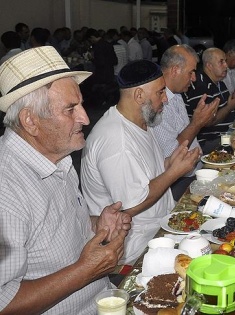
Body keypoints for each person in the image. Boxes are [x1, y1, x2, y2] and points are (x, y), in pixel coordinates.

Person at [0, 46, 131, 314]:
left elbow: (51, 237)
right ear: (30, 121)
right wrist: (84, 271)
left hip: (103, 301)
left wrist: (97, 224)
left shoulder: (57, 155)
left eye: (81, 104)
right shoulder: (6, 190)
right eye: (70, 109)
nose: (84, 118)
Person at [80, 60, 201, 264]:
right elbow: (132, 204)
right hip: (136, 247)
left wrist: (169, 163)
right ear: (138, 95)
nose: (165, 99)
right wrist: (174, 173)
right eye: (160, 92)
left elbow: (146, 174)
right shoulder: (116, 141)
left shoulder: (141, 121)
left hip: (160, 226)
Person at [153, 45, 219, 200]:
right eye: (191, 72)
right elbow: (171, 155)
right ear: (175, 70)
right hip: (177, 182)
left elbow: (185, 134)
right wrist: (197, 123)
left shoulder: (176, 94)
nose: (194, 78)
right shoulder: (158, 103)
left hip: (195, 169)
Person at [184, 47, 235, 153]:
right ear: (209, 66)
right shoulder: (201, 87)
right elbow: (207, 122)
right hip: (210, 141)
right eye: (221, 62)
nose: (226, 65)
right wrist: (230, 107)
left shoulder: (219, 82)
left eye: (225, 61)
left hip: (226, 133)